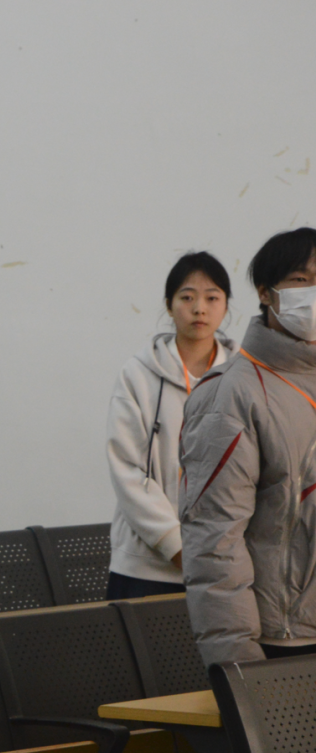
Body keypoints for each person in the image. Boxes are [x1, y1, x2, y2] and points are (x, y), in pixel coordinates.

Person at [181, 227, 316, 666]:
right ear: (265, 292)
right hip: (285, 638)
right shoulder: (232, 394)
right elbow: (215, 538)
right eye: (301, 280)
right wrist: (239, 664)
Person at [106, 252, 236, 600]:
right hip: (146, 566)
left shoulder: (243, 378)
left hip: (224, 563)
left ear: (226, 306)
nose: (199, 309)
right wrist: (175, 545)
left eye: (212, 298)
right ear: (169, 305)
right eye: (187, 297)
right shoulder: (137, 375)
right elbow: (127, 469)